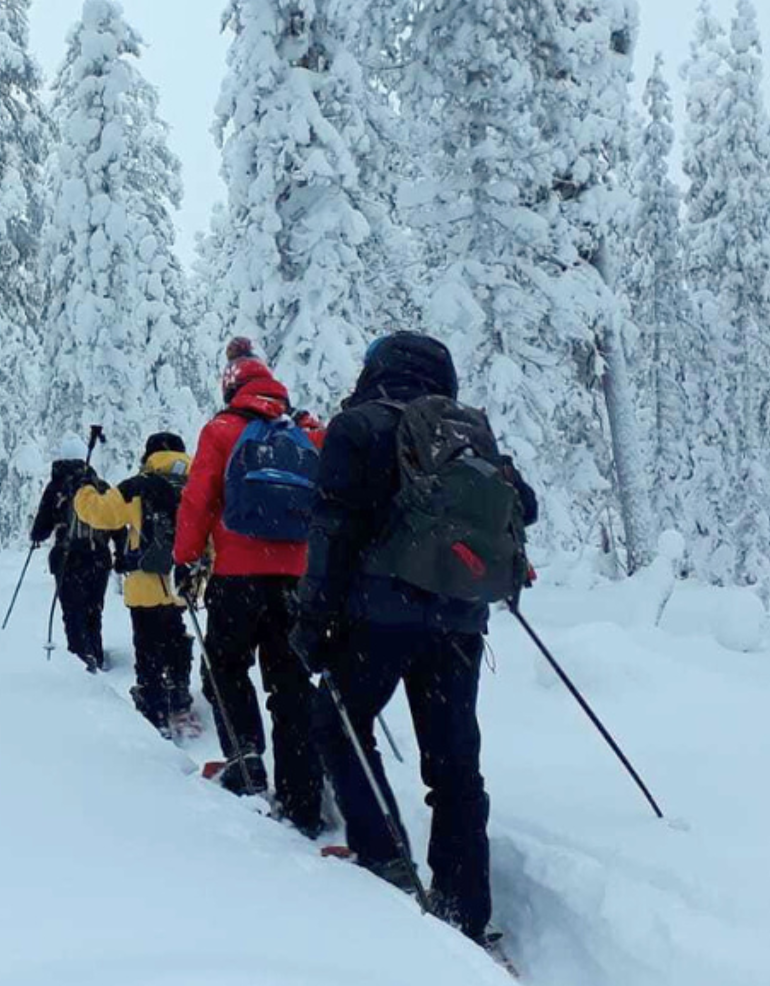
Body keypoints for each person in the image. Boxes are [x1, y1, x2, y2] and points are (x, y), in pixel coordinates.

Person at [292, 331, 538, 951]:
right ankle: (465, 913)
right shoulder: (470, 431)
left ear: (376, 369)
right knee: (455, 765)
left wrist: (311, 618)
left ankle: (386, 861)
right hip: (459, 620)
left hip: (379, 615)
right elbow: (523, 506)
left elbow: (332, 528)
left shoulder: (358, 426)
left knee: (338, 721)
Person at [173, 355, 327, 838]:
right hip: (294, 580)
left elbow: (198, 499)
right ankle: (304, 797)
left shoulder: (222, 429)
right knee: (291, 684)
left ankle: (246, 761)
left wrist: (185, 557)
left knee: (227, 667)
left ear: (230, 388)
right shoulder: (303, 430)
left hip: (236, 575)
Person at [71, 432, 201, 738]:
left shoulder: (138, 486)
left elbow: (100, 515)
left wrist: (84, 490)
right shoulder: (198, 485)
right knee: (175, 633)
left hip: (145, 583)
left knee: (148, 644)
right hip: (184, 582)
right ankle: (179, 692)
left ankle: (154, 704)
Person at [30, 435, 114, 672]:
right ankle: (96, 654)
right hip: (99, 556)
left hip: (68, 557)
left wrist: (37, 536)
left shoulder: (57, 487)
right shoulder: (99, 485)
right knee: (93, 609)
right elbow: (115, 522)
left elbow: (40, 530)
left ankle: (80, 659)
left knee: (73, 611)